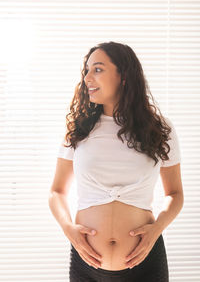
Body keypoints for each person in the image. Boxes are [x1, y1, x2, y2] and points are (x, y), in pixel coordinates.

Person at [48, 41, 184, 282]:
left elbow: (175, 193)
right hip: (86, 264)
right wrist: (68, 229)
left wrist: (156, 229)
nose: (88, 77)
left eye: (98, 69)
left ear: (124, 76)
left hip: (146, 263)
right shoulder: (78, 129)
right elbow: (57, 192)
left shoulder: (159, 128)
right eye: (87, 70)